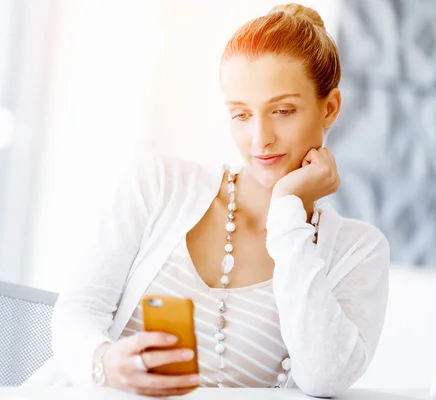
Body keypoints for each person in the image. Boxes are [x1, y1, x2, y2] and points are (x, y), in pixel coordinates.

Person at [25, 3, 389, 398]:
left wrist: (287, 208)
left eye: (282, 111)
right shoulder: (160, 184)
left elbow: (325, 377)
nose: (259, 138)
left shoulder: (359, 251)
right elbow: (78, 309)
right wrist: (105, 363)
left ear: (330, 108)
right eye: (241, 115)